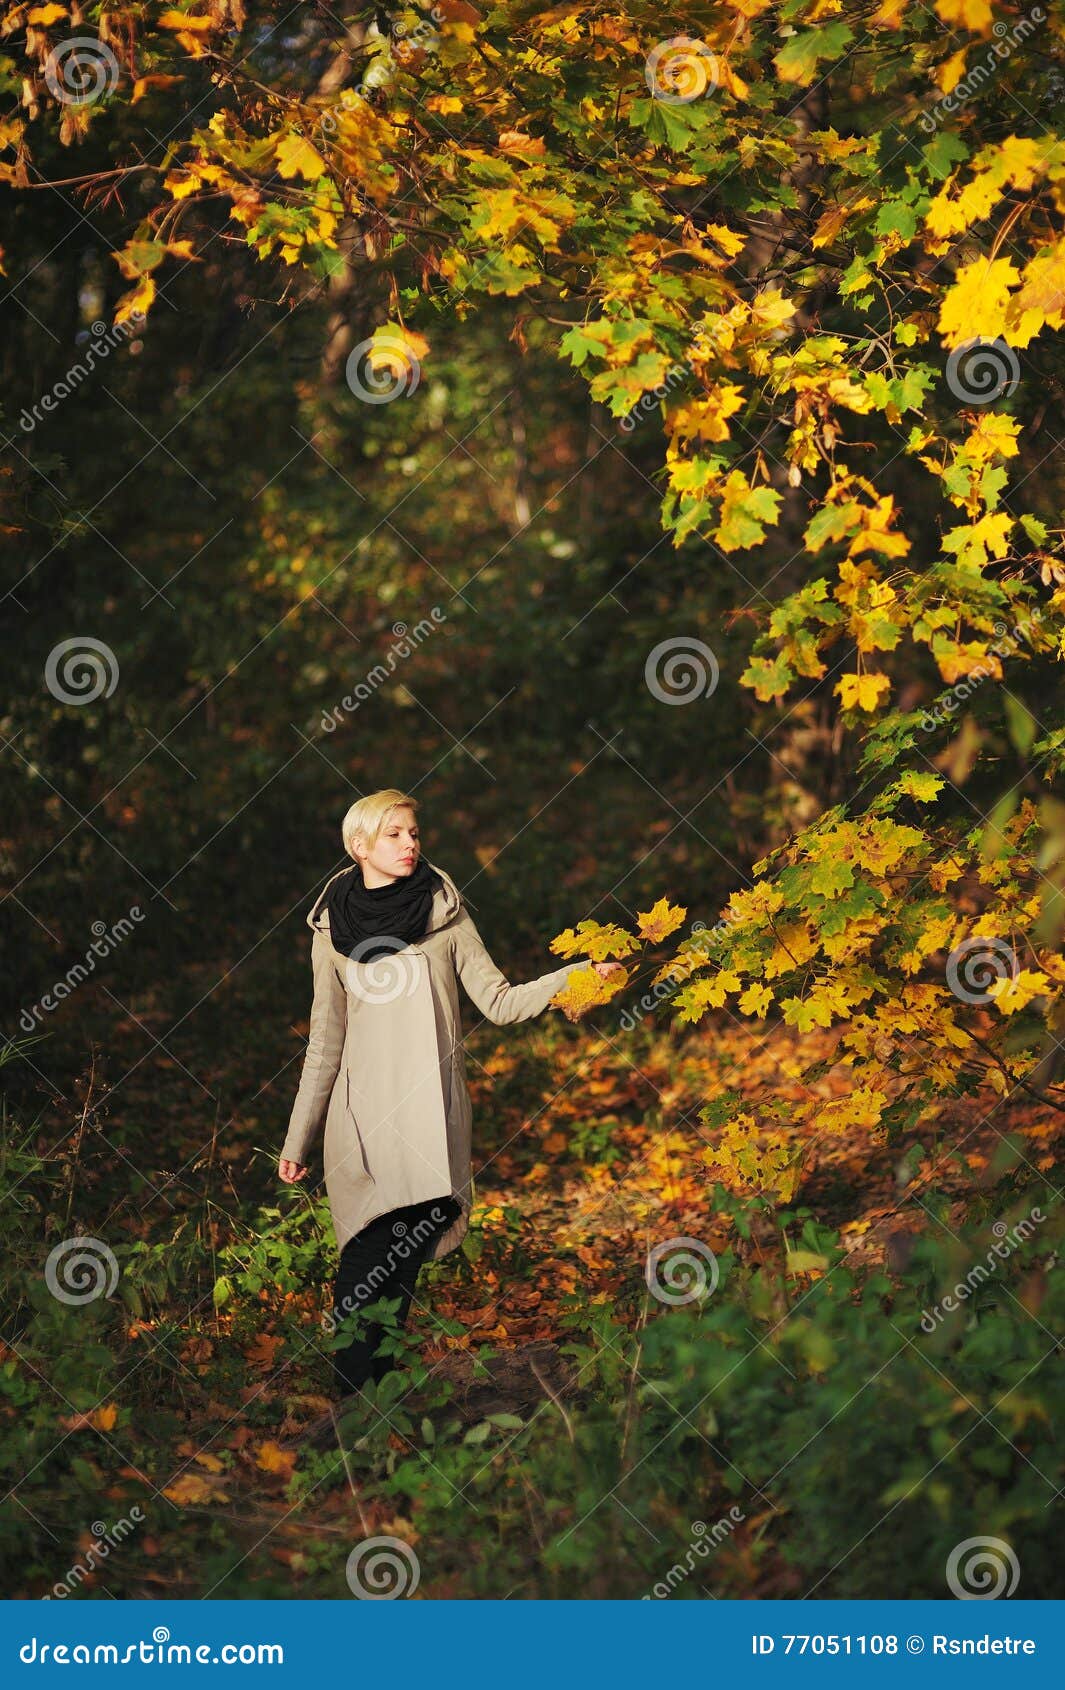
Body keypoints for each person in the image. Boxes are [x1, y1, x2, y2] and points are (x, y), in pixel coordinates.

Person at [278, 788, 622, 1399]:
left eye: (414, 833)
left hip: (431, 1119)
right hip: (359, 1124)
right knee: (362, 1263)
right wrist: (298, 1136)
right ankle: (350, 1411)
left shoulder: (445, 914)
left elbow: (500, 1000)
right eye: (395, 834)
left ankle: (373, 1409)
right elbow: (325, 1041)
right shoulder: (329, 932)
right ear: (359, 845)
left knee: (400, 1267)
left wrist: (576, 977)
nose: (411, 844)